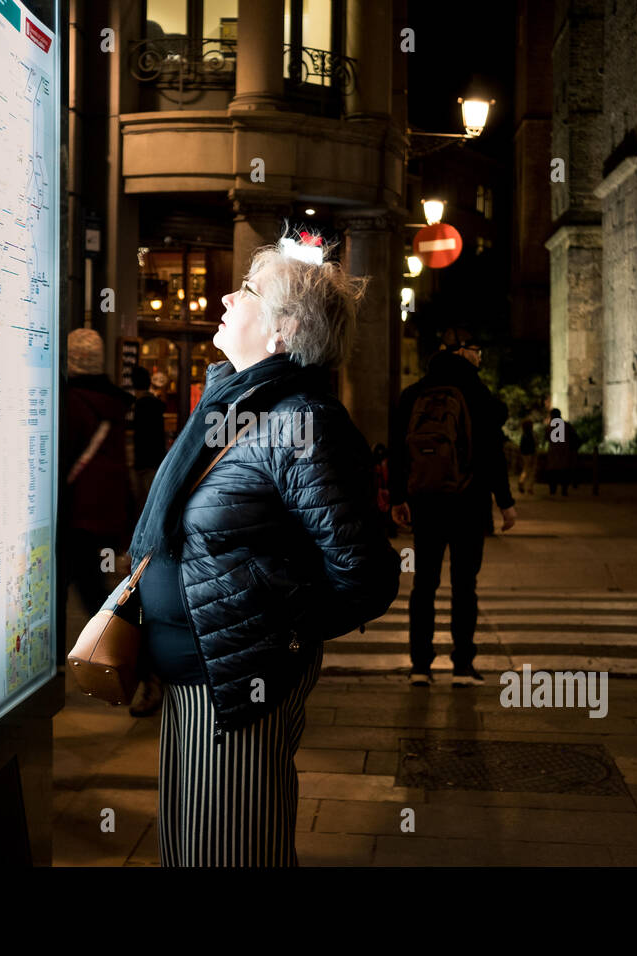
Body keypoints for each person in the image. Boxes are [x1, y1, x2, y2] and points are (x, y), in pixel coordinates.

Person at [118, 233, 399, 866]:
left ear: (283, 330)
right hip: (197, 683)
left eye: (245, 290)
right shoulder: (239, 409)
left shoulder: (304, 423)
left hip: (239, 686)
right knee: (197, 855)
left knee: (232, 854)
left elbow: (368, 573)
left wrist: (275, 636)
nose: (224, 296)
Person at [388, 328, 517, 688]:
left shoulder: (414, 393)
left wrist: (398, 497)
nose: (479, 357)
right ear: (462, 354)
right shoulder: (476, 394)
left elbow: (398, 447)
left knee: (423, 585)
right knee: (464, 586)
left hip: (425, 504)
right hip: (469, 504)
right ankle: (462, 666)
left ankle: (420, 666)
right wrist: (505, 503)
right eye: (476, 351)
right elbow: (493, 452)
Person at [61, 328, 134, 619]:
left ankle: (98, 653)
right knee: (97, 590)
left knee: (85, 590)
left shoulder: (70, 401)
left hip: (78, 514)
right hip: (110, 511)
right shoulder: (113, 403)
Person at [129, 365, 166, 514]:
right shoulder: (156, 403)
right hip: (156, 460)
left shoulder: (140, 405)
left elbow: (141, 436)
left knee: (143, 506)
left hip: (144, 462)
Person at [544, 407, 579, 496]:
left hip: (554, 452)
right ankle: (564, 490)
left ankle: (553, 490)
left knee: (553, 472)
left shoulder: (551, 426)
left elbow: (546, 437)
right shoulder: (566, 425)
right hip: (564, 452)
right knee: (564, 471)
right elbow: (573, 437)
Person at [517, 418, 537, 494]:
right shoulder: (531, 434)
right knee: (532, 471)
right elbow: (534, 444)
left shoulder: (524, 435)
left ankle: (521, 481)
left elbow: (521, 446)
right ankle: (530, 487)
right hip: (531, 454)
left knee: (526, 469)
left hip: (525, 454)